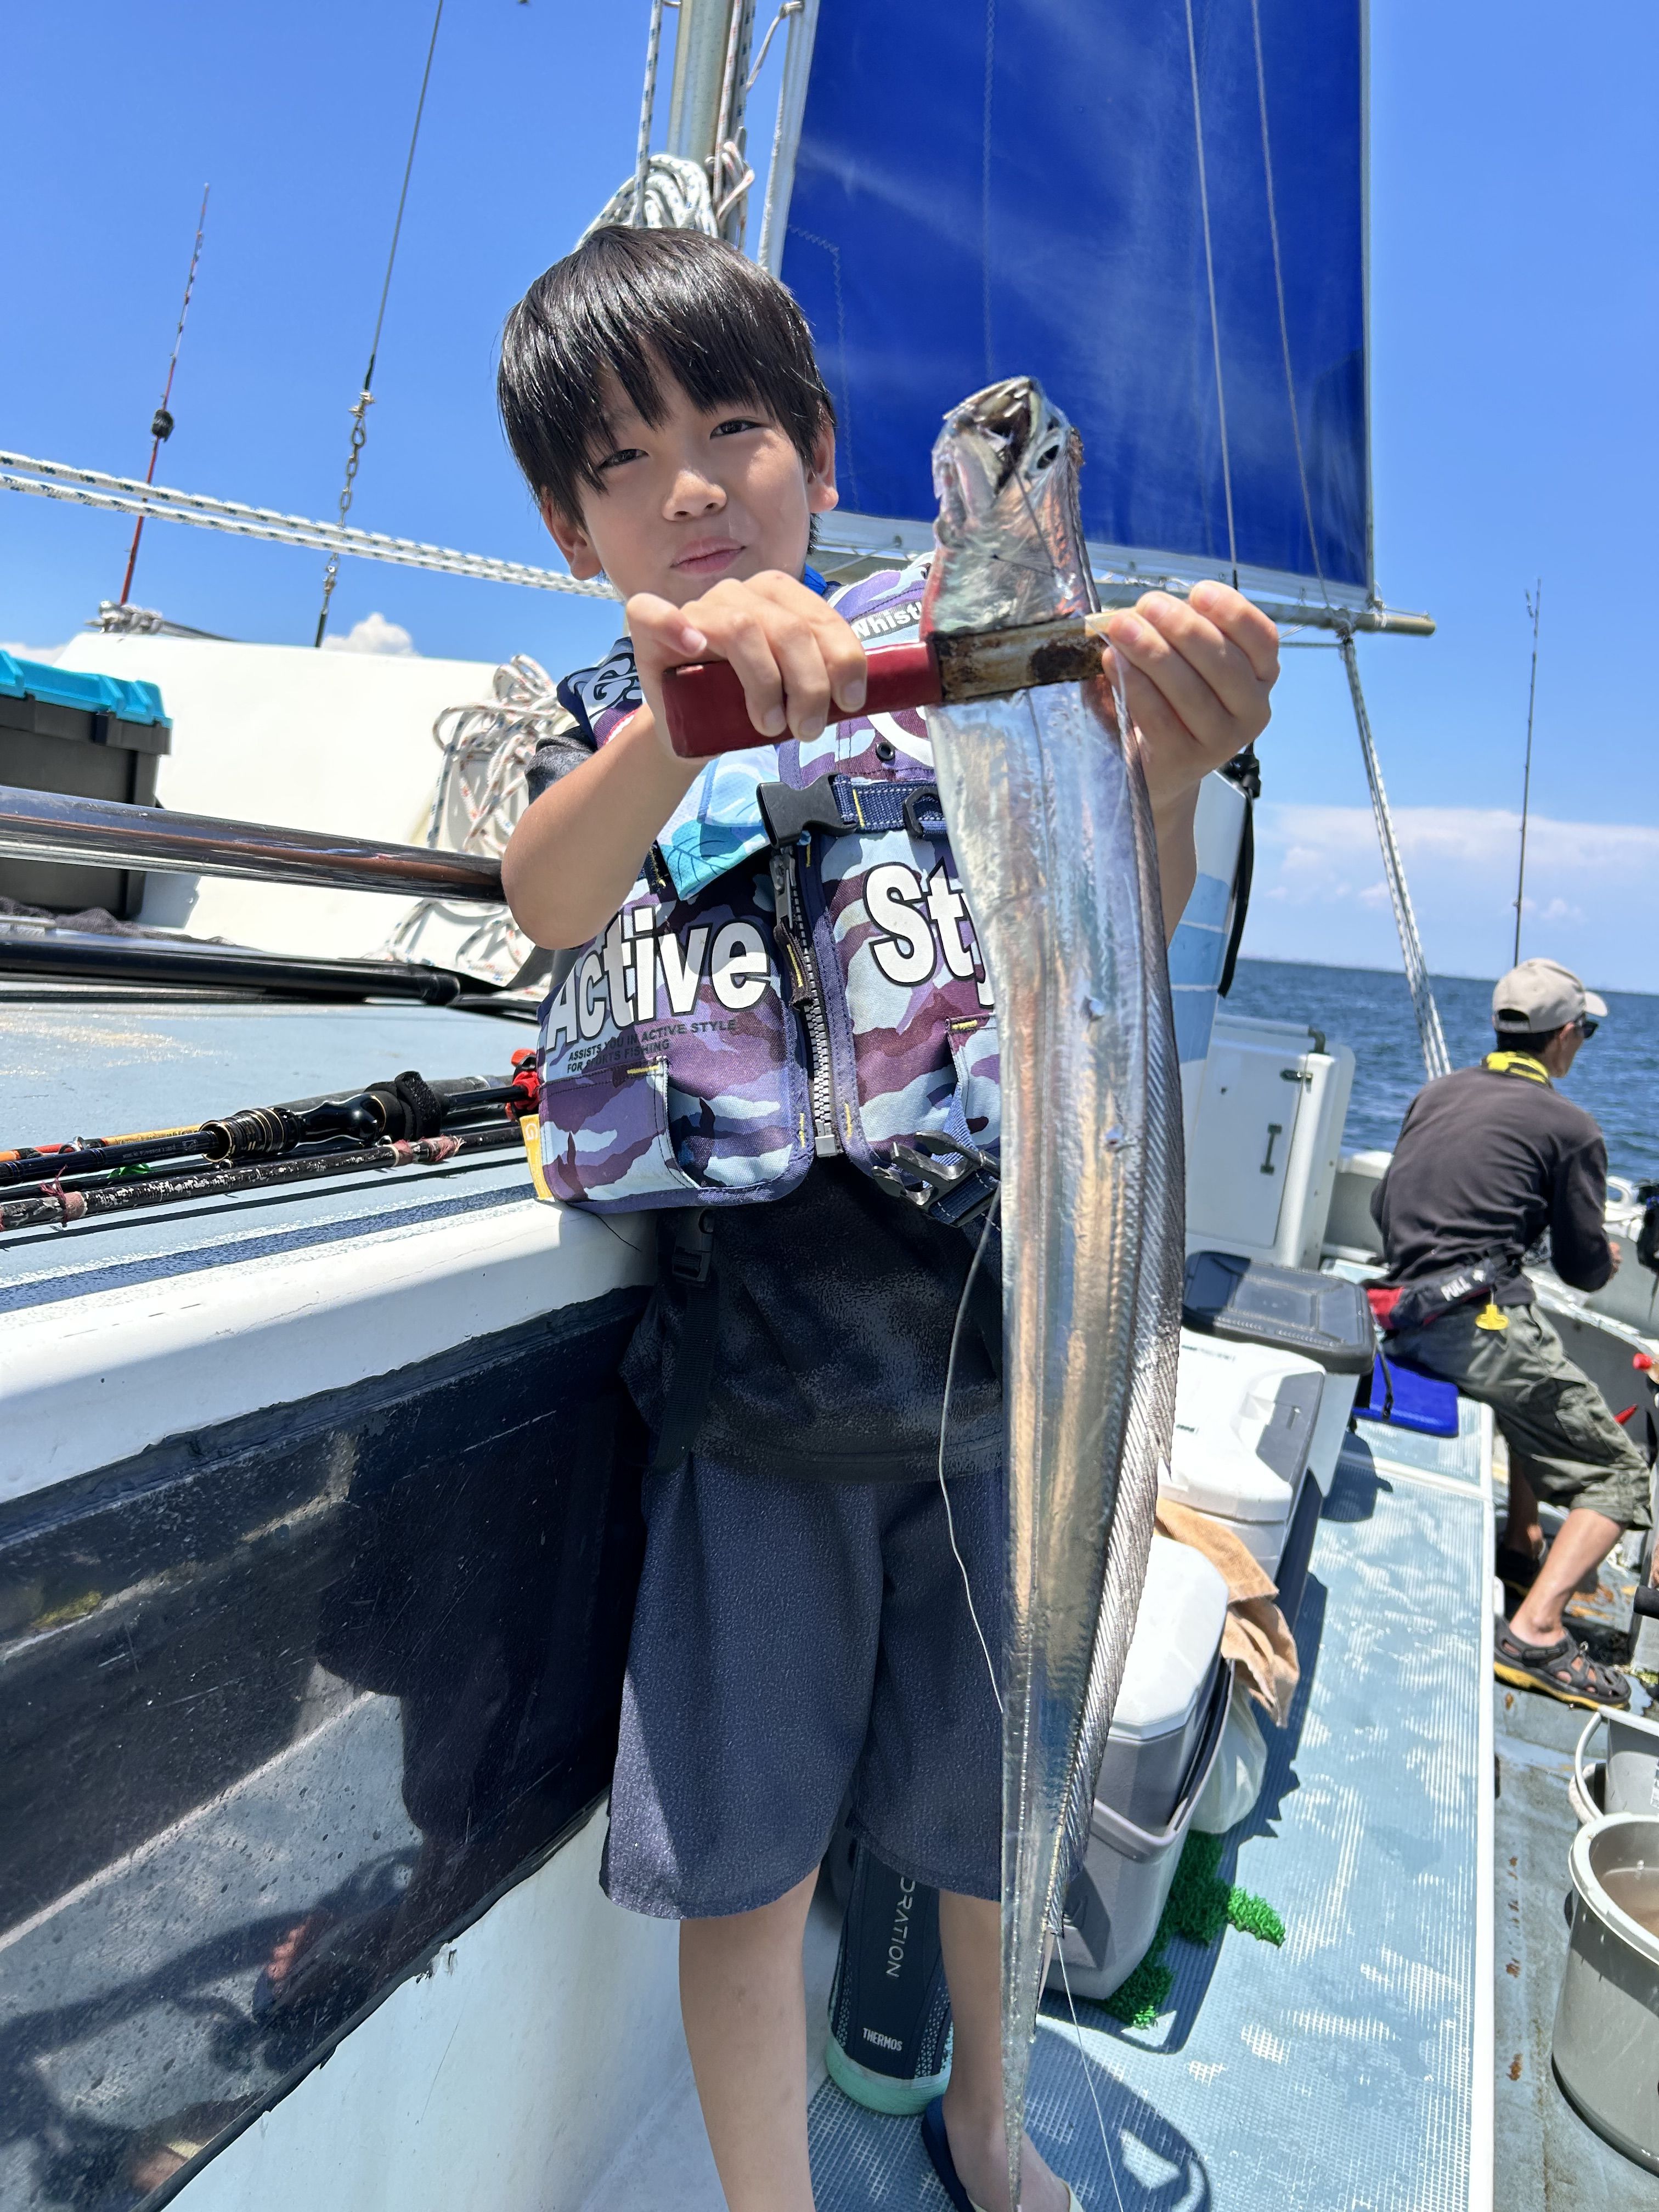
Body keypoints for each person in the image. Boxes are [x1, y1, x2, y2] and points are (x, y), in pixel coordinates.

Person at [495, 224, 1278, 2212]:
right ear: (574, 532)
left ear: (821, 458)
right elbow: (549, 896)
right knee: (746, 1878)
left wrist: (1169, 781)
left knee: (983, 1824)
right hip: (757, 1414)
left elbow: (1099, 943)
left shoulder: (950, 700)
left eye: (732, 430)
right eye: (623, 463)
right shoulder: (602, 720)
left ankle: (991, 2130)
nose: (689, 486)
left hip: (1001, 1386)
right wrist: (677, 718)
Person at [1371, 957, 1650, 1712]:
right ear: (1565, 1036)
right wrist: (1606, 1256)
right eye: (1586, 1032)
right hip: (1475, 1330)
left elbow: (1385, 1206)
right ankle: (1535, 1631)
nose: (1582, 1042)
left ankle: (1522, 1543)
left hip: (1402, 1319)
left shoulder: (1436, 1094)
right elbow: (1585, 1270)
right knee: (1620, 1477)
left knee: (1535, 1363)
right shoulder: (1572, 1128)